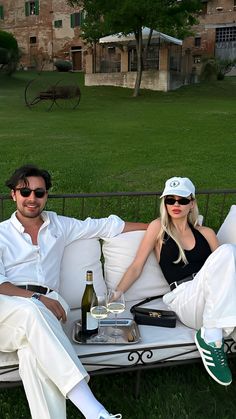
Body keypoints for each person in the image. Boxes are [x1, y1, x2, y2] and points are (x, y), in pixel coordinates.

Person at [0, 164, 148, 419]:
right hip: (9, 305)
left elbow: (106, 226)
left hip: (48, 306)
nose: (32, 198)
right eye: (25, 192)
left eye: (39, 192)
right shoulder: (1, 233)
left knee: (33, 354)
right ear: (14, 194)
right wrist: (36, 298)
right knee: (31, 311)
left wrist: (159, 226)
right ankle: (94, 411)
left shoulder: (59, 225)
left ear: (46, 195)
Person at [116, 176, 236, 387]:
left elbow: (226, 274)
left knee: (229, 256)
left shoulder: (206, 233)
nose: (176, 205)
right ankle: (211, 338)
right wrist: (115, 295)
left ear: (192, 203)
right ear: (164, 204)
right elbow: (136, 267)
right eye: (170, 200)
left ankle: (212, 332)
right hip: (185, 299)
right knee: (228, 251)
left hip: (211, 303)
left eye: (182, 200)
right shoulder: (158, 229)